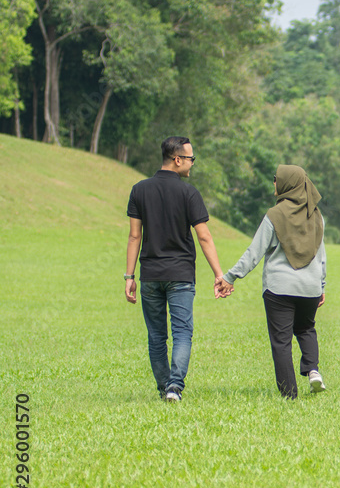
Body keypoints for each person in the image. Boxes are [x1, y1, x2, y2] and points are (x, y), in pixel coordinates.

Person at [125, 136, 227, 402]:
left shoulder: (139, 190)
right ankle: (174, 388)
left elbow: (134, 236)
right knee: (182, 332)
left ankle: (164, 389)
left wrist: (129, 276)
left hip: (150, 275)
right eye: (191, 158)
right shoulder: (188, 193)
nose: (193, 163)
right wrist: (219, 274)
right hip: (180, 275)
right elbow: (204, 236)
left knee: (156, 335)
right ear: (177, 159)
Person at [218, 165, 327, 399]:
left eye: (276, 179)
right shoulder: (316, 215)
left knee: (281, 341)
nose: (274, 184)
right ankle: (313, 370)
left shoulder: (274, 215)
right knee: (306, 329)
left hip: (279, 289)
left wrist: (230, 277)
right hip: (310, 287)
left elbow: (254, 253)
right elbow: (321, 255)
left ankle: (289, 394)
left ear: (288, 183)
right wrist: (322, 286)